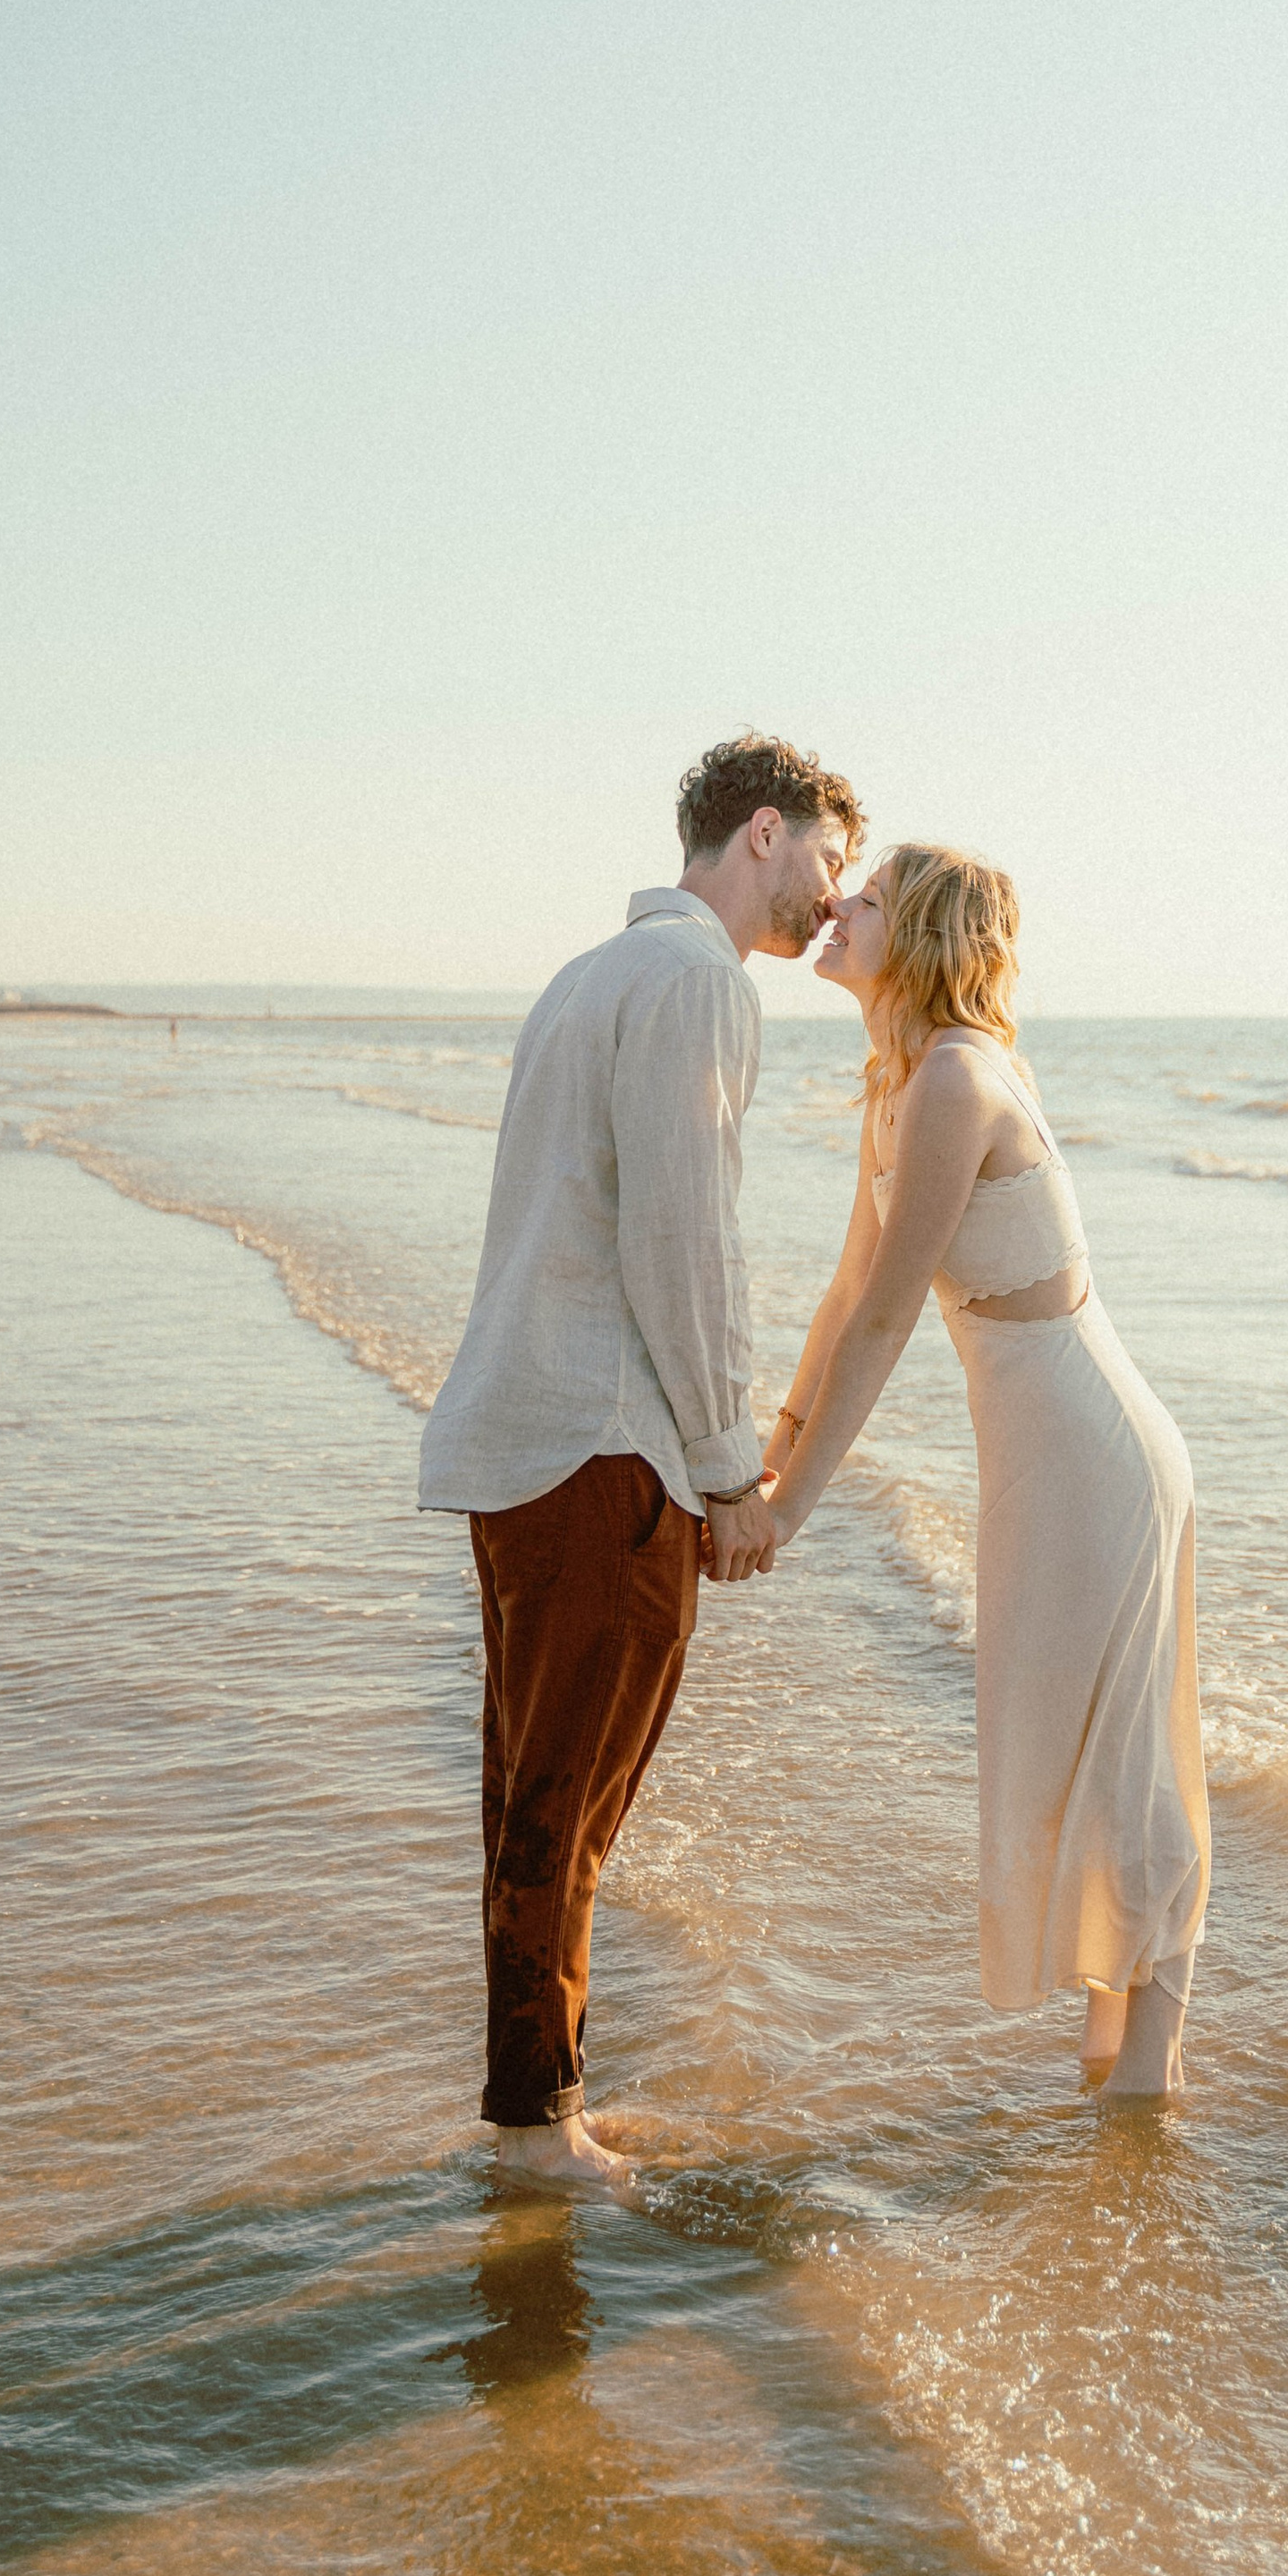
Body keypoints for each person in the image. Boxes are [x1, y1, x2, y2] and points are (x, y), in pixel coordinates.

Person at [419, 733, 864, 2186]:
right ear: (759, 834)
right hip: (605, 1449)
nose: (828, 893)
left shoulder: (587, 977)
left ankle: (527, 2104)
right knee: (570, 1810)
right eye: (825, 859)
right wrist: (731, 1473)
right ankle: (536, 2128)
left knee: (535, 1802)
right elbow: (687, 1245)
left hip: (524, 1435)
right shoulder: (692, 983)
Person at [759, 846, 1208, 2096]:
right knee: (1066, 1735)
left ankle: (1148, 2062)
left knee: (1125, 1754)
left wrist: (788, 1511)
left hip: (1093, 1451)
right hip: (1040, 1452)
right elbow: (848, 1289)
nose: (834, 909)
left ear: (922, 937)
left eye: (865, 901)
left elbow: (893, 1318)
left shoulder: (957, 1080)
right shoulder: (900, 1081)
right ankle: (1116, 2046)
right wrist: (773, 1449)